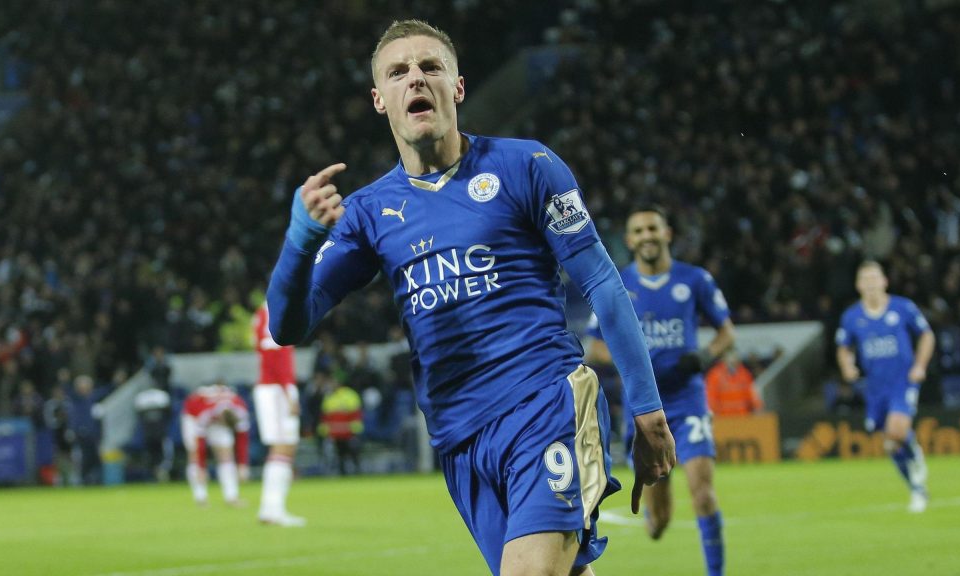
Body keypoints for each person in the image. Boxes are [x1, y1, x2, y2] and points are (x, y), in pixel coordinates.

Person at [265, 19, 675, 576]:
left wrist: (648, 408)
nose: (415, 78)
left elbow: (602, 281)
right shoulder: (367, 213)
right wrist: (299, 242)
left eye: (430, 67)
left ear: (457, 87)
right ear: (379, 100)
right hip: (460, 438)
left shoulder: (526, 166)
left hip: (544, 402)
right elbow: (288, 325)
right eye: (398, 72)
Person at [585, 205, 735, 576]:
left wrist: (703, 357)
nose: (647, 236)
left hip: (688, 398)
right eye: (639, 231)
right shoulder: (616, 284)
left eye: (653, 228)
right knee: (659, 520)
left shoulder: (695, 279)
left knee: (703, 492)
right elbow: (595, 345)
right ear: (629, 240)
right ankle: (656, 515)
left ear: (667, 234)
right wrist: (634, 362)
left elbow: (726, 333)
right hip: (644, 405)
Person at [835, 260, 936, 513]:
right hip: (874, 387)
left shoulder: (903, 307)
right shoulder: (851, 317)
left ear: (884, 281)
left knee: (896, 429)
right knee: (890, 444)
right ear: (858, 285)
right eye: (865, 279)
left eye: (874, 278)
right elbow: (844, 348)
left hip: (903, 381)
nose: (870, 283)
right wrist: (847, 367)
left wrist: (920, 366)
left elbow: (926, 335)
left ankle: (914, 454)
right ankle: (917, 489)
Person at [252, 299, 306, 526]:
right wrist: (287, 391)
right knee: (282, 445)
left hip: (277, 386)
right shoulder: (272, 309)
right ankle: (272, 509)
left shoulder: (270, 309)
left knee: (287, 447)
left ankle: (272, 509)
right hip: (275, 388)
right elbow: (272, 352)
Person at [180, 382, 250, 506]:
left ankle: (231, 496)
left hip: (215, 416)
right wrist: (202, 468)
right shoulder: (205, 413)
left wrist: (242, 464)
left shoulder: (241, 412)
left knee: (226, 454)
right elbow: (200, 444)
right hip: (192, 417)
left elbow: (242, 440)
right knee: (194, 453)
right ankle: (201, 497)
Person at [318, 372, 363, 475]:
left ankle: (357, 470)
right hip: (335, 434)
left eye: (332, 382)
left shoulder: (350, 395)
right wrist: (325, 431)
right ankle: (342, 472)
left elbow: (356, 416)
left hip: (349, 434)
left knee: (353, 450)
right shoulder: (329, 397)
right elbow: (325, 418)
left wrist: (353, 430)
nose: (330, 384)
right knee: (338, 454)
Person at [705, 347, 762, 417]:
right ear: (724, 359)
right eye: (730, 357)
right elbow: (711, 397)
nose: (733, 360)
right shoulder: (715, 375)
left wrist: (757, 408)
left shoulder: (745, 374)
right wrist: (713, 414)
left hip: (742, 417)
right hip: (723, 418)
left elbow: (753, 395)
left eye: (735, 357)